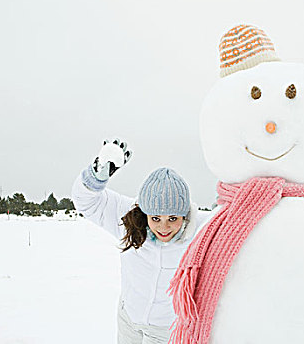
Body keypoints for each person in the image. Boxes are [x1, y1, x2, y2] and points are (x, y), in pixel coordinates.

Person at [71, 138, 213, 344]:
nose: (164, 228)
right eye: (155, 218)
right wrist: (95, 178)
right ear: (145, 213)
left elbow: (242, 221)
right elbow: (87, 202)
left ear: (185, 215)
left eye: (173, 218)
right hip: (129, 319)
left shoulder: (202, 229)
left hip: (166, 329)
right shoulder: (129, 218)